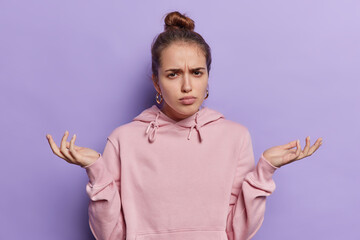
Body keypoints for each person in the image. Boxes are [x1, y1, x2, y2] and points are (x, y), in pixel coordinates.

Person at [46, 11, 323, 240]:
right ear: (156, 82)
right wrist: (96, 170)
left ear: (207, 77)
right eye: (173, 74)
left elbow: (237, 232)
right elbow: (110, 234)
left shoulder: (235, 137)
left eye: (197, 72)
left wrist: (264, 170)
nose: (187, 86)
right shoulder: (123, 140)